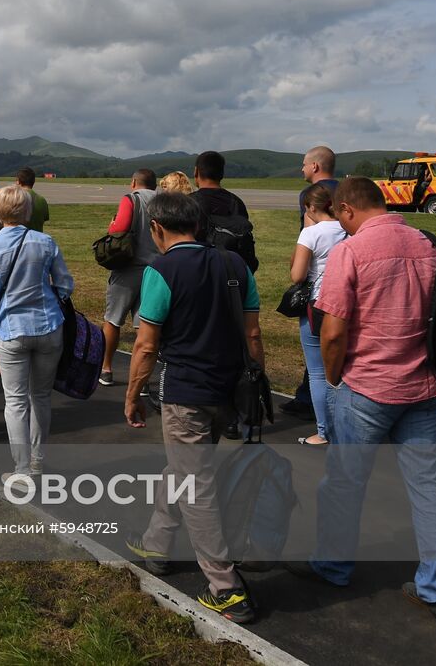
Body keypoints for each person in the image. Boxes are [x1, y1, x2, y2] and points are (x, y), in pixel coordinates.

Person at [293, 177, 436, 621]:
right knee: (428, 486)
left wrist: (333, 379)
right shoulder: (427, 244)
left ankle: (333, 564)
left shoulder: (351, 251)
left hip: (367, 386)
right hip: (424, 385)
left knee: (345, 482)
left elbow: (332, 332)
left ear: (346, 209)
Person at [122, 191, 263, 625]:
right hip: (228, 392)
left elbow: (146, 345)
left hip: (186, 394)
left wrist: (132, 397)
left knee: (195, 486)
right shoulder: (235, 265)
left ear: (157, 229)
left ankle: (225, 587)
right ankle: (157, 543)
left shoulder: (160, 270)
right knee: (186, 469)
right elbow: (253, 334)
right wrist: (254, 383)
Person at [0, 184, 73, 475]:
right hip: (48, 326)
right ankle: (38, 458)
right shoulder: (46, 242)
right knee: (41, 396)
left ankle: (21, 468)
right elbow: (65, 284)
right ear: (28, 211)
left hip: (11, 328)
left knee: (15, 401)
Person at [283, 146, 341, 421]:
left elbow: (299, 269)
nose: (302, 169)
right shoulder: (344, 190)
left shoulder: (309, 199)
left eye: (304, 164)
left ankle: (319, 420)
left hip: (317, 295)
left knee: (317, 366)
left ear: (316, 167)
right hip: (345, 293)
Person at [289, 184, 345, 445]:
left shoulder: (311, 233)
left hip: (318, 304)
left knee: (318, 373)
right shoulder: (348, 229)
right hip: (348, 303)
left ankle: (324, 432)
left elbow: (297, 275)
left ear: (310, 207)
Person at [98, 169, 159, 387]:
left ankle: (106, 369)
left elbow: (120, 228)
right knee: (144, 324)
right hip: (155, 270)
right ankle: (141, 379)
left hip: (129, 268)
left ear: (133, 182)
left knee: (113, 320)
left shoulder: (131, 199)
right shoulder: (163, 201)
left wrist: (111, 225)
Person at [192, 150, 259, 273]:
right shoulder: (237, 202)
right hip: (232, 271)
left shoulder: (189, 202)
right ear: (222, 174)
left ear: (196, 171)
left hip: (199, 269)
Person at [15, 167, 51, 231]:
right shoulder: (42, 200)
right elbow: (45, 218)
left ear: (18, 181)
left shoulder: (13, 198)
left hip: (19, 238)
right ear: (33, 181)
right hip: (37, 238)